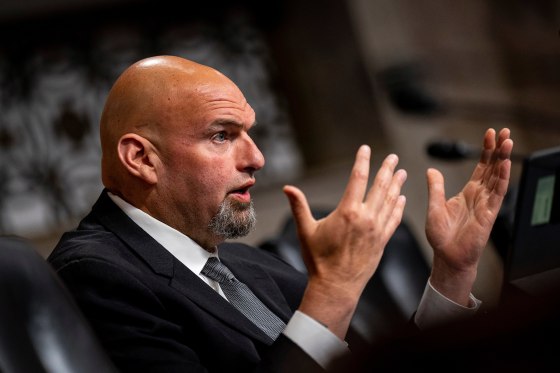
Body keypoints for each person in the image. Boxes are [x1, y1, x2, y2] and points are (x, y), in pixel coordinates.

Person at [47, 55, 513, 373]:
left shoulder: (245, 265)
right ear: (142, 159)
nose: (256, 158)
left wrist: (452, 275)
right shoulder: (94, 276)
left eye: (249, 133)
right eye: (222, 136)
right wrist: (334, 289)